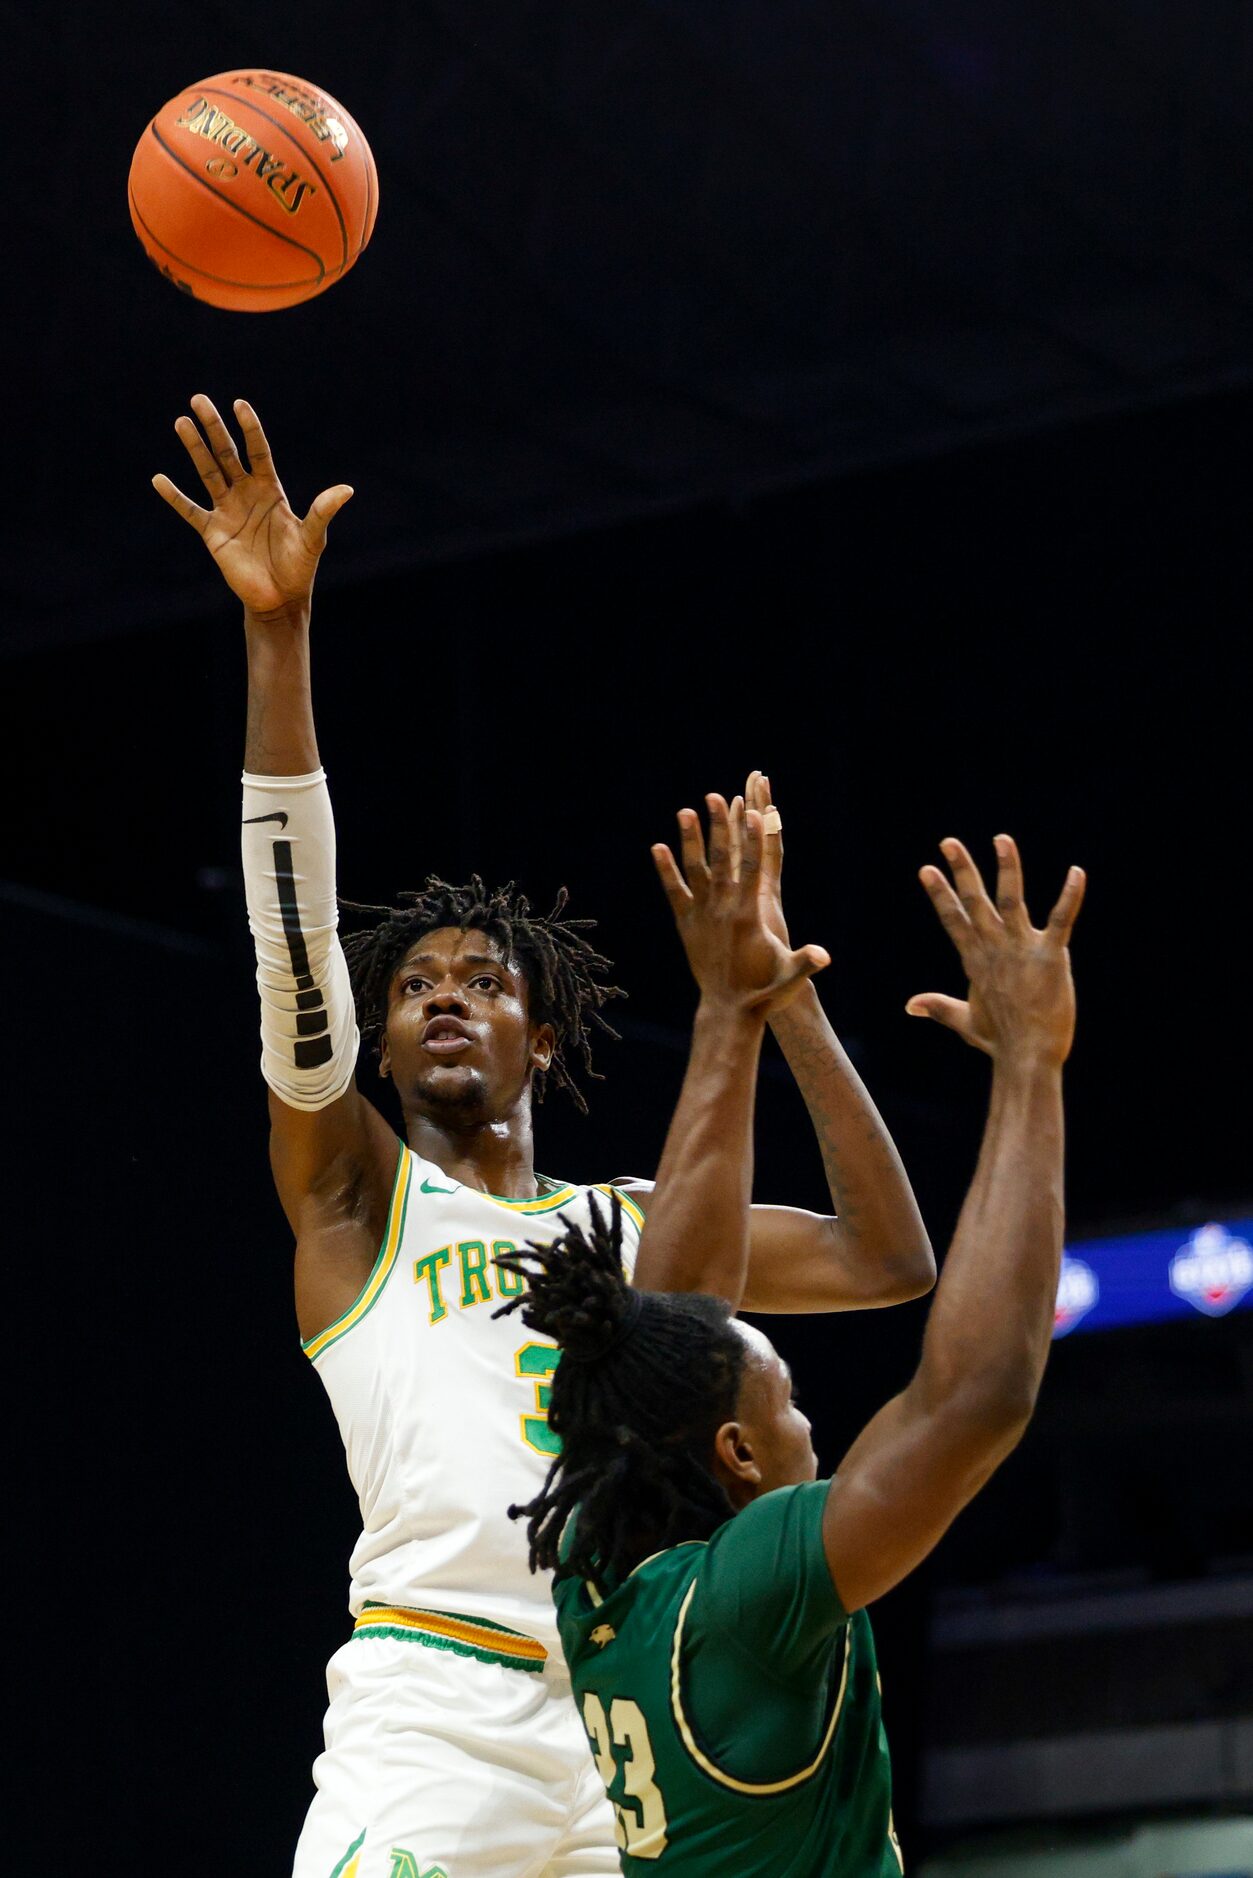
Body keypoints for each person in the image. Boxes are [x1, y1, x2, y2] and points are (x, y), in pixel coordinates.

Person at [152, 395, 935, 1878]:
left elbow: (889, 1256)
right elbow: (292, 951)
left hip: (636, 1696)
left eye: (485, 981)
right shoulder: (354, 1205)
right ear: (377, 1045)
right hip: (434, 1709)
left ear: (545, 1037)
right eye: (417, 988)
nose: (445, 999)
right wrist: (276, 639)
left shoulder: (640, 1228)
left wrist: (783, 1002)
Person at [498, 830, 1085, 1873]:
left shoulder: (604, 1560)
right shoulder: (743, 1599)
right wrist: (1028, 1071)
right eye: (790, 1403)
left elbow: (674, 1313)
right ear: (734, 1455)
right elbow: (975, 1398)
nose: (812, 1427)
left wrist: (740, 1011)